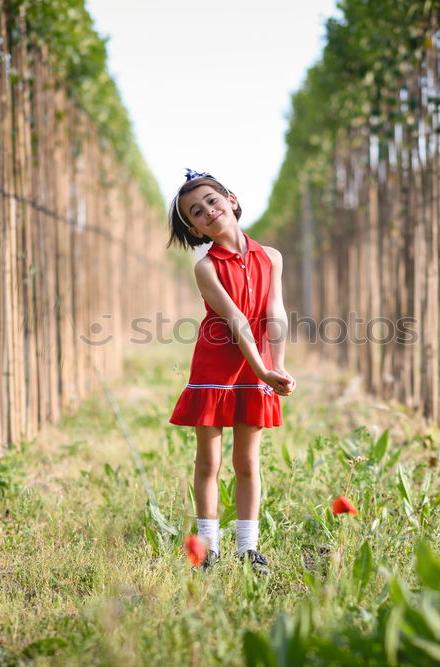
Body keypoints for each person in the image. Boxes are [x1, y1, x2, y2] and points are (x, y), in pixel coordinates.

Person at [167, 169, 296, 575]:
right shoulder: (206, 268)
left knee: (248, 461)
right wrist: (263, 368)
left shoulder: (271, 256)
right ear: (194, 228)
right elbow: (238, 320)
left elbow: (275, 314)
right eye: (196, 212)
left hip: (257, 366)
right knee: (209, 460)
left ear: (232, 199)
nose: (208, 210)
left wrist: (276, 367)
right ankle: (207, 549)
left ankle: (247, 549)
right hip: (216, 367)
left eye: (211, 200)